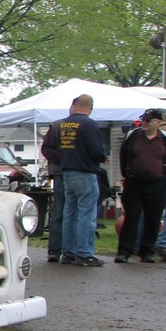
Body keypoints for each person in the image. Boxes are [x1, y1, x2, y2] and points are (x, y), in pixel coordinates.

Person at [58, 94, 108, 267]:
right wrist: (102, 156)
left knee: (69, 214)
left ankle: (68, 252)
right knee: (86, 214)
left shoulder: (64, 124)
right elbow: (96, 150)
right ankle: (84, 253)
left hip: (67, 172)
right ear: (90, 107)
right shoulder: (89, 124)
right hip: (85, 172)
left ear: (75, 105)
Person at [115, 108, 166, 263]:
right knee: (132, 217)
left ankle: (147, 251)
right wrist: (127, 174)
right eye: (143, 120)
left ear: (157, 123)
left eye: (148, 121)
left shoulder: (165, 139)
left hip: (157, 184)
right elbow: (123, 156)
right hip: (134, 183)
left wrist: (163, 176)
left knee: (153, 219)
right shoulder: (133, 136)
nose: (144, 123)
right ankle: (124, 251)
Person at [40, 118, 65, 262]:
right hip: (60, 173)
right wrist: (63, 158)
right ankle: (55, 250)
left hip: (73, 172)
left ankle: (69, 250)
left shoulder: (86, 125)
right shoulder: (57, 126)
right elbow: (46, 149)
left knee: (66, 212)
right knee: (59, 212)